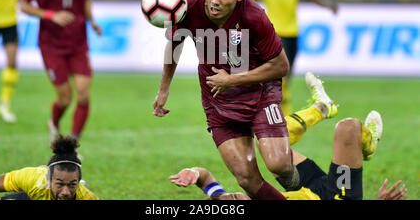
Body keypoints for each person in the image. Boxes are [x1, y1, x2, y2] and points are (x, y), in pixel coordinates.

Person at [153, 0, 338, 200]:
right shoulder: (189, 7)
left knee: (279, 164)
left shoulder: (254, 16)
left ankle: (321, 180)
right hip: (218, 102)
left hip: (260, 94)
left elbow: (281, 65)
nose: (214, 0)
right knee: (247, 179)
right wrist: (164, 88)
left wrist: (232, 80)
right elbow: (175, 43)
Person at [170, 79, 407, 200]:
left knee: (269, 144)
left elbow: (206, 180)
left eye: (231, 197)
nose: (235, 196)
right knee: (348, 129)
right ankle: (369, 145)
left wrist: (194, 173)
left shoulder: (242, 198)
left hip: (304, 187)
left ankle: (321, 107)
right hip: (338, 195)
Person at [20, 0, 102, 143]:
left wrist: (92, 21)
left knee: (83, 93)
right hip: (51, 44)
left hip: (78, 42)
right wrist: (50, 15)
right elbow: (24, 4)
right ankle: (54, 123)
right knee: (65, 98)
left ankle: (73, 143)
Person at [247, 0, 338, 116]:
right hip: (271, 31)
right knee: (277, 78)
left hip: (292, 31)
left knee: (286, 77)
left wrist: (327, 5)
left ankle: (279, 117)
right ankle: (282, 119)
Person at [0, 134, 100, 200]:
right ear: (48, 179)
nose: (65, 192)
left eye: (72, 185)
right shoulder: (33, 179)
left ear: (78, 183)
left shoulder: (85, 196)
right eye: (60, 184)